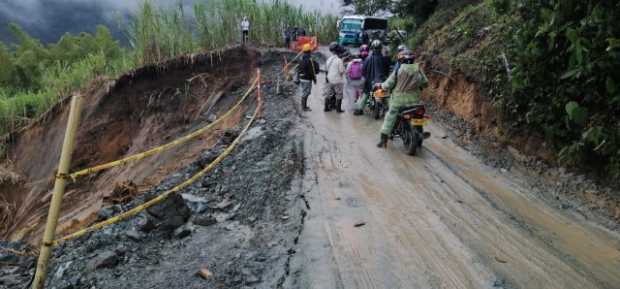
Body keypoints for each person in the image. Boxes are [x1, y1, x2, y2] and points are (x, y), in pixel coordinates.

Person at [376, 49, 428, 148]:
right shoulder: (418, 69)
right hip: (415, 100)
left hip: (398, 101)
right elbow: (425, 83)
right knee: (419, 117)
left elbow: (388, 85)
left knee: (390, 117)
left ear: (401, 60)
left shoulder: (398, 71)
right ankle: (419, 138)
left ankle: (383, 139)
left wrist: (382, 86)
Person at [354, 40, 391, 115]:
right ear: (380, 48)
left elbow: (363, 71)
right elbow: (387, 70)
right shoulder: (384, 59)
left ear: (372, 48)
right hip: (381, 82)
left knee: (365, 94)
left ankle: (358, 109)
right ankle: (391, 110)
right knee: (386, 94)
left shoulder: (367, 59)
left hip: (370, 82)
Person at [295, 43, 318, 111]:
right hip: (307, 79)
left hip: (301, 78)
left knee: (305, 91)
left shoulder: (301, 58)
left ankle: (303, 106)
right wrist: (314, 79)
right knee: (306, 92)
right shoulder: (309, 60)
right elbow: (312, 71)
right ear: (309, 51)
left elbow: (298, 68)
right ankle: (304, 107)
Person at [324, 42, 346, 113]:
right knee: (339, 94)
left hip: (330, 80)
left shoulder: (328, 59)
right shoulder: (339, 60)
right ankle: (338, 109)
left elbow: (326, 70)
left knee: (329, 94)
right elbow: (342, 71)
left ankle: (326, 108)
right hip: (337, 80)